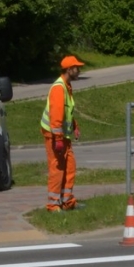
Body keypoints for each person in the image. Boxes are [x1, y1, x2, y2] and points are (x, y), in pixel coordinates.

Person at [41, 55, 84, 211]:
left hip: (61, 137)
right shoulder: (59, 88)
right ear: (68, 69)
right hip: (54, 136)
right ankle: (53, 204)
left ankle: (67, 201)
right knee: (57, 168)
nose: (79, 71)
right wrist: (58, 139)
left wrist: (74, 125)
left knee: (70, 166)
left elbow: (66, 111)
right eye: (76, 68)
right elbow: (56, 116)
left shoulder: (66, 86)